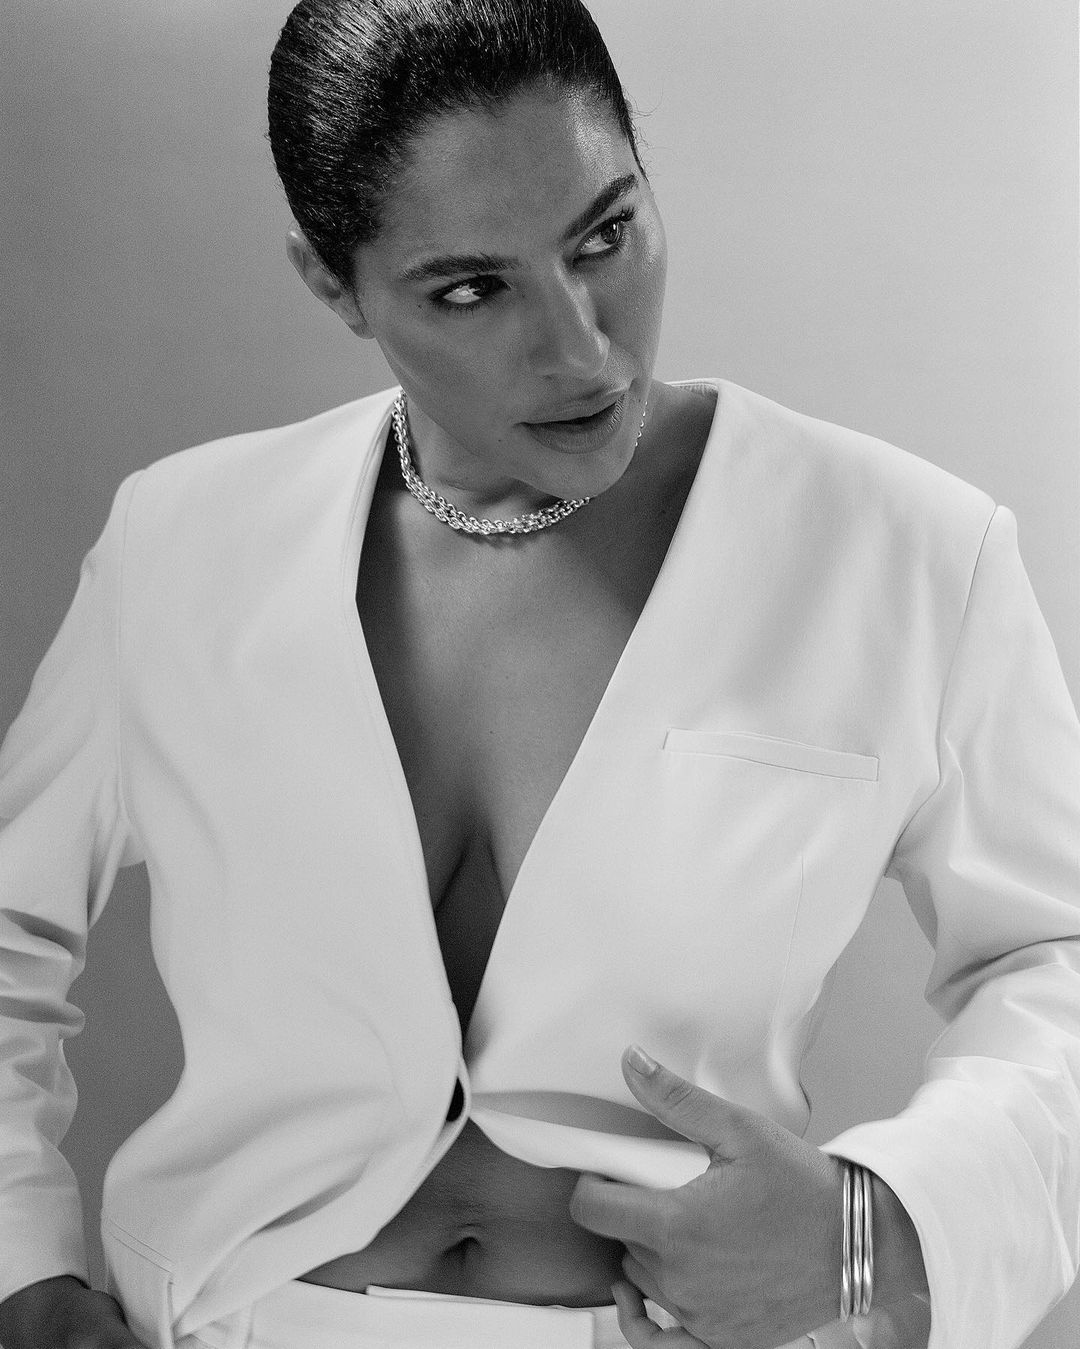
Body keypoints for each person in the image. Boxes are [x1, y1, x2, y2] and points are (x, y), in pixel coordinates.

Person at [1, 1, 1078, 1346]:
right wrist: (19, 1268)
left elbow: (1059, 956)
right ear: (333, 284)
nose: (581, 349)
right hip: (228, 1321)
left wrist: (874, 1233)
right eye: (471, 289)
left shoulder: (909, 552)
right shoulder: (180, 543)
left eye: (604, 237)